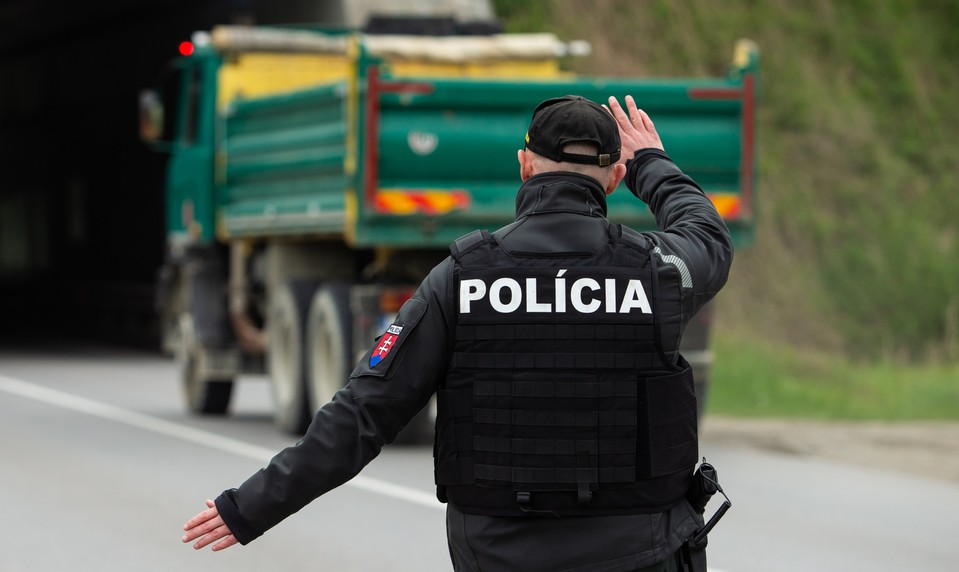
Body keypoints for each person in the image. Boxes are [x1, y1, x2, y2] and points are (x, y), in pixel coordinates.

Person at [182, 94, 733, 572]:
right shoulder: (658, 271)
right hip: (638, 553)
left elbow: (362, 415)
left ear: (524, 166)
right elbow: (707, 236)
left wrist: (248, 508)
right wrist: (652, 164)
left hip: (499, 557)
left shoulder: (460, 279)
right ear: (614, 178)